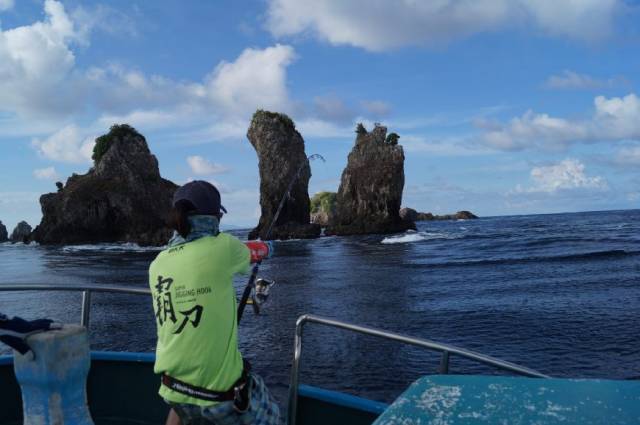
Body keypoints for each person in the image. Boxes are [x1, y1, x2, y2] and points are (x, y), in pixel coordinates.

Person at [149, 180, 281, 425]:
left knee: (184, 401)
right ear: (214, 218)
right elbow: (258, 250)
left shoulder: (158, 262)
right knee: (272, 418)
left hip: (171, 386)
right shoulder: (223, 247)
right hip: (219, 396)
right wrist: (268, 246)